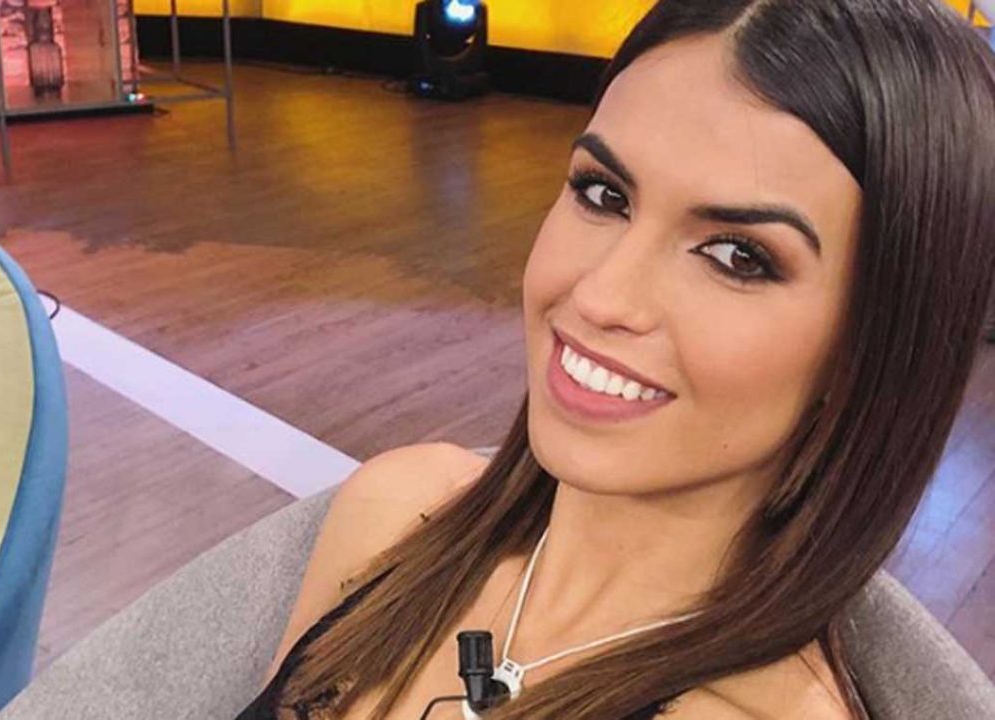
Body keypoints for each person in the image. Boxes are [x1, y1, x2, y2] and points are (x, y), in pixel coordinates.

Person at [239, 0, 995, 717]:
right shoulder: (393, 512)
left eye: (737, 255)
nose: (601, 296)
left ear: (873, 346)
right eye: (603, 195)